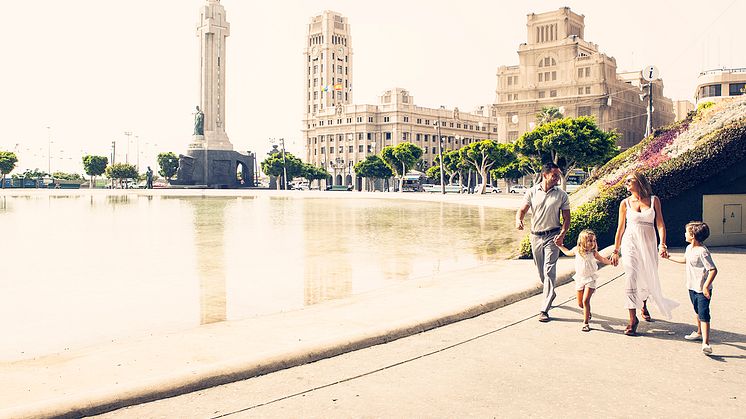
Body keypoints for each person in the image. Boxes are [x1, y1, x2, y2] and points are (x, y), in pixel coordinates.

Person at [609, 172, 678, 336]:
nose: (626, 183)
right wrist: (615, 250)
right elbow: (620, 228)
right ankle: (632, 319)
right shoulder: (624, 203)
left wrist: (662, 244)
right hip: (630, 242)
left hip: (648, 242)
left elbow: (660, 224)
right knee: (631, 275)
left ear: (639, 182)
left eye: (629, 180)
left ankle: (643, 304)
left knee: (646, 275)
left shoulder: (654, 200)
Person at [516, 162, 571, 322]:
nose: (557, 179)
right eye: (555, 176)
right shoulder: (532, 192)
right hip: (535, 237)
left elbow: (567, 218)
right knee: (541, 272)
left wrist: (562, 234)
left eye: (558, 176)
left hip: (553, 236)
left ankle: (544, 309)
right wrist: (519, 220)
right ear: (545, 175)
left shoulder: (562, 195)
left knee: (549, 271)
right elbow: (522, 210)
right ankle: (551, 292)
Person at [663, 221, 718, 355]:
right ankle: (699, 332)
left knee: (704, 314)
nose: (685, 234)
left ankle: (706, 343)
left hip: (702, 289)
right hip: (692, 286)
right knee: (697, 311)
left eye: (687, 232)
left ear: (693, 235)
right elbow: (684, 260)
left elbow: (713, 270)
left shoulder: (702, 252)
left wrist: (706, 286)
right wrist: (668, 257)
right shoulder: (689, 249)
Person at [557, 229, 613, 332]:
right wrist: (559, 245)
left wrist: (611, 262)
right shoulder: (577, 250)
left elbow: (603, 259)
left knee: (585, 300)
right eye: (590, 241)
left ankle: (585, 323)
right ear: (582, 242)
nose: (593, 243)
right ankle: (588, 313)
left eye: (594, 240)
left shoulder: (593, 252)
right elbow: (567, 252)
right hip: (580, 278)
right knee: (580, 304)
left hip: (590, 278)